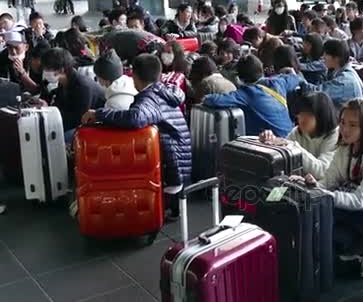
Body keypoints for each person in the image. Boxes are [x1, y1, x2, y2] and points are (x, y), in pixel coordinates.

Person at [81, 54, 191, 218]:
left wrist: (99, 114)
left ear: (135, 76)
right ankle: (174, 209)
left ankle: (168, 211)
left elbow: (135, 118)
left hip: (172, 159)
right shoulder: (164, 90)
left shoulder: (150, 98)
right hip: (181, 154)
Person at [298, 98, 363, 279]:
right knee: (318, 219)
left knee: (327, 222)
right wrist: (314, 186)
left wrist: (325, 195)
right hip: (350, 202)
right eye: (343, 123)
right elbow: (330, 179)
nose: (344, 129)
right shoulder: (346, 147)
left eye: (353, 125)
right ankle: (358, 246)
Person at [203, 54, 301, 137]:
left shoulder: (246, 93)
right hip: (290, 137)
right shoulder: (279, 82)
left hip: (272, 143)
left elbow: (212, 100)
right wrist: (289, 73)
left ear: (240, 78)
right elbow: (295, 78)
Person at [260, 92, 339, 180]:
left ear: (321, 116)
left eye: (308, 114)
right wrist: (270, 142)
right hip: (297, 183)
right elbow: (284, 158)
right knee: (273, 190)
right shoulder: (298, 132)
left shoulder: (334, 136)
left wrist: (292, 148)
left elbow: (322, 171)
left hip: (321, 189)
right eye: (301, 112)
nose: (300, 117)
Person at [41, 48, 105, 143]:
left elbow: (79, 119)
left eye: (47, 69)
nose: (45, 72)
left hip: (94, 125)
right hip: (75, 122)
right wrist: (47, 107)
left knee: (57, 137)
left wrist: (50, 113)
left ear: (61, 70)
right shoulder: (63, 83)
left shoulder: (83, 86)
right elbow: (59, 106)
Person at [304, 39, 363, 108]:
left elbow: (316, 93)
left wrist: (299, 79)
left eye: (326, 54)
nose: (323, 57)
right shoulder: (351, 72)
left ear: (337, 58)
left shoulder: (343, 81)